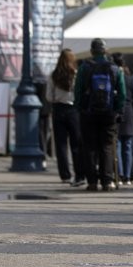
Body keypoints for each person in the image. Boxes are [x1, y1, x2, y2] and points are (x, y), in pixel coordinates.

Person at [74, 38, 126, 192]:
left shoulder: (84, 67)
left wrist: (81, 107)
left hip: (89, 113)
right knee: (107, 146)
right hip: (109, 113)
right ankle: (107, 180)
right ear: (105, 51)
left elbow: (78, 91)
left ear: (91, 51)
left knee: (90, 147)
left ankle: (92, 181)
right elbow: (122, 93)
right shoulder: (115, 68)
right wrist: (117, 110)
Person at [47, 48, 85, 187]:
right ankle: (79, 174)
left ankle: (65, 175)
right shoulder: (75, 74)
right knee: (76, 144)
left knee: (61, 145)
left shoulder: (53, 75)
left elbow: (49, 96)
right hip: (73, 110)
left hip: (58, 109)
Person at [113, 52, 133, 186]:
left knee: (117, 145)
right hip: (129, 113)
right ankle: (128, 175)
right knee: (128, 146)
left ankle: (120, 173)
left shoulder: (113, 76)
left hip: (115, 113)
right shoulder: (129, 78)